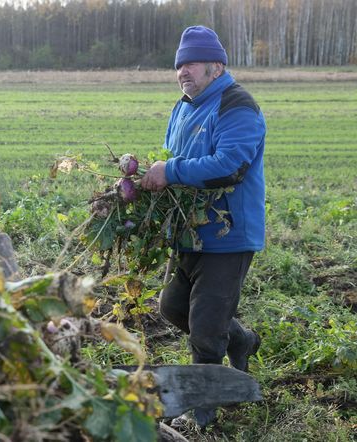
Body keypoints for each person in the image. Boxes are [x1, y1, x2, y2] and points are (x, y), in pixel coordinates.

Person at [140, 25, 265, 428]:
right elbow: (169, 160)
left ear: (217, 65)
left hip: (227, 236)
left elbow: (231, 166)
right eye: (179, 65)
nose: (183, 71)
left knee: (206, 331)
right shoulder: (183, 106)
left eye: (191, 63)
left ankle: (204, 414)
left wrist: (170, 171)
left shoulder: (237, 104)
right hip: (190, 232)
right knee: (173, 308)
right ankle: (242, 340)